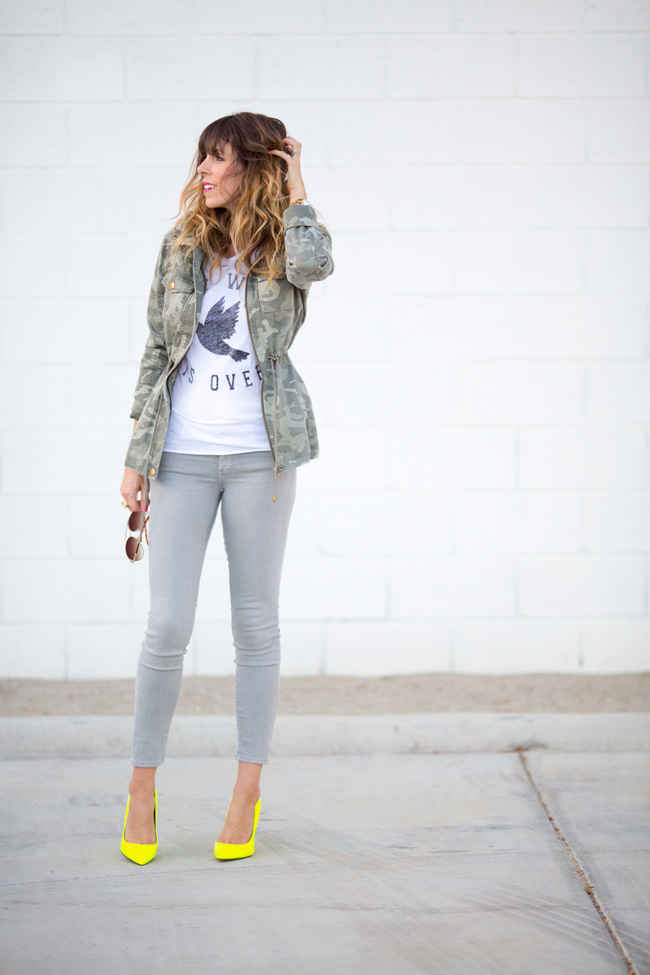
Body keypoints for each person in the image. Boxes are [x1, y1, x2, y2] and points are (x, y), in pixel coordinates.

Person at [118, 111, 334, 865]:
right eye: (201, 158)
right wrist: (136, 454)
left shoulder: (284, 246)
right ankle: (141, 787)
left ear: (253, 167)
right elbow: (157, 348)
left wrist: (298, 187)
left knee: (255, 625)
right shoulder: (182, 247)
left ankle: (247, 791)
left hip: (260, 456)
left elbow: (318, 266)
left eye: (218, 158)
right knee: (167, 625)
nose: (203, 171)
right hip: (180, 454)